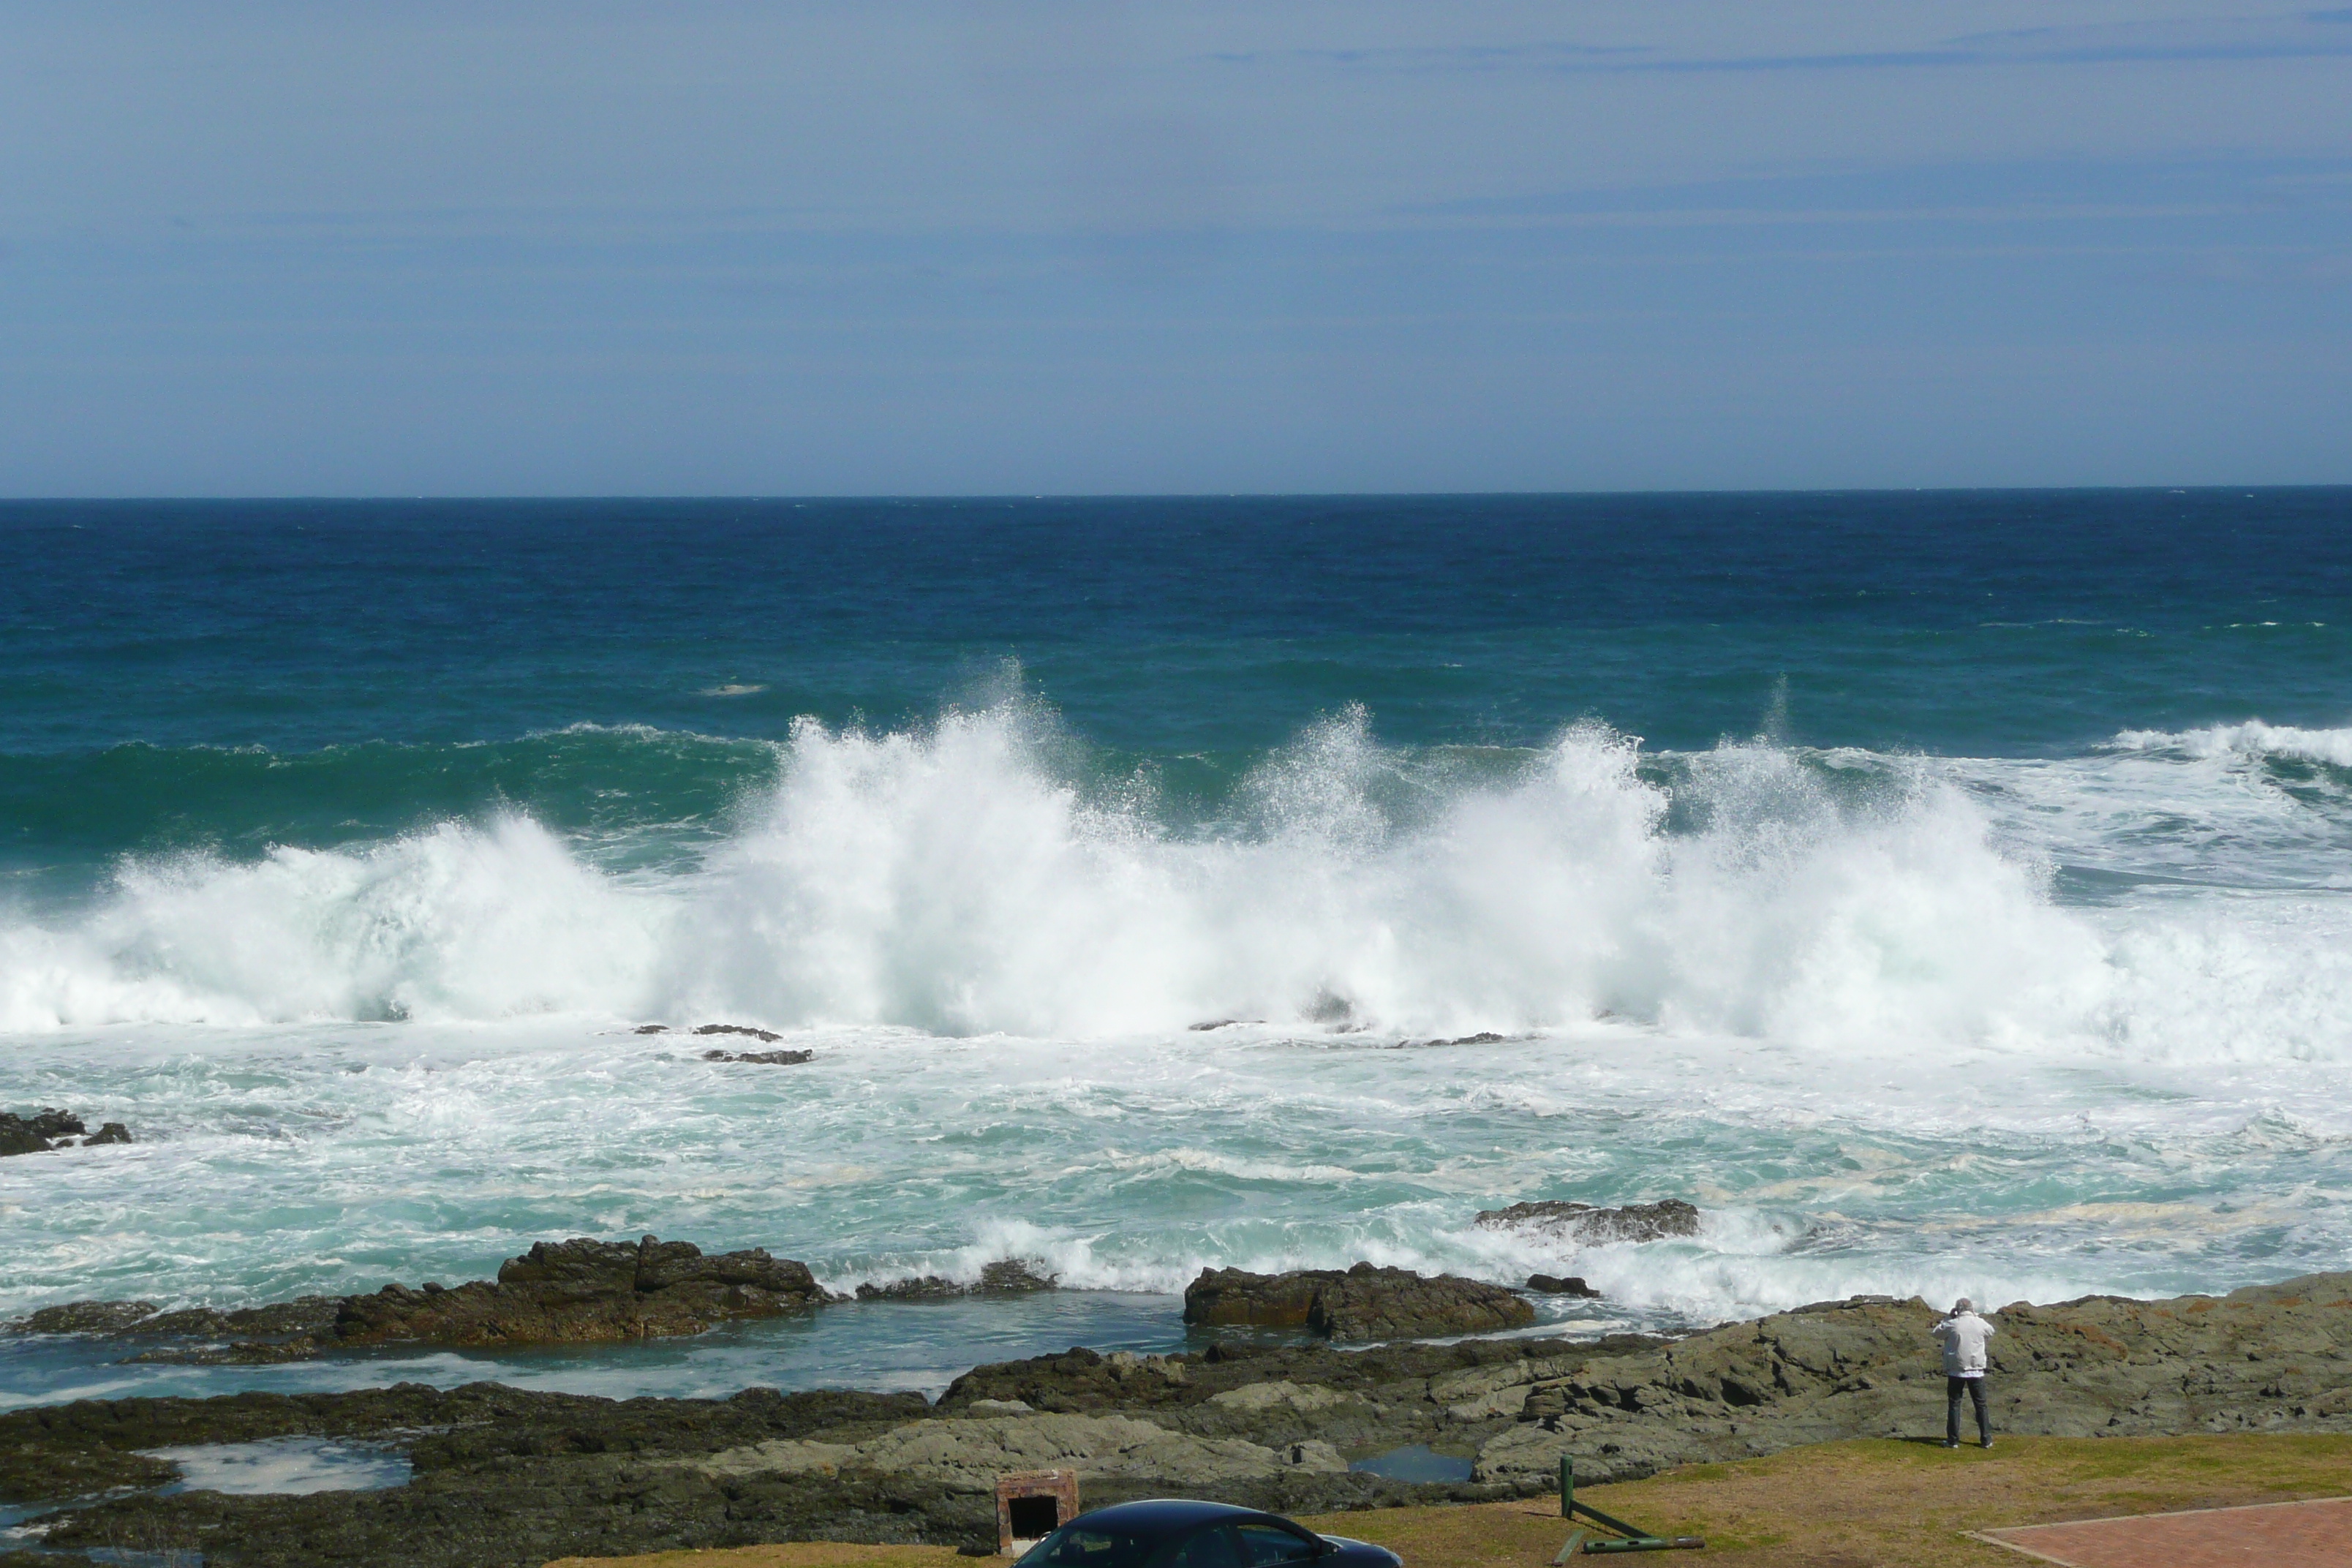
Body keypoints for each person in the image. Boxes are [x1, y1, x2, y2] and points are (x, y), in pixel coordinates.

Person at [1932, 1297, 1995, 1449]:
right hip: (1976, 1370)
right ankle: (1986, 1440)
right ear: (1971, 1309)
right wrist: (1976, 1316)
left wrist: (1948, 1317)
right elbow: (1991, 1331)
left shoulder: (1953, 1324)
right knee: (1981, 1405)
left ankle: (1953, 1440)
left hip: (1957, 1371)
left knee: (1954, 1404)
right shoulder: (1979, 1323)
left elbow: (1936, 1333)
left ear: (1957, 1309)